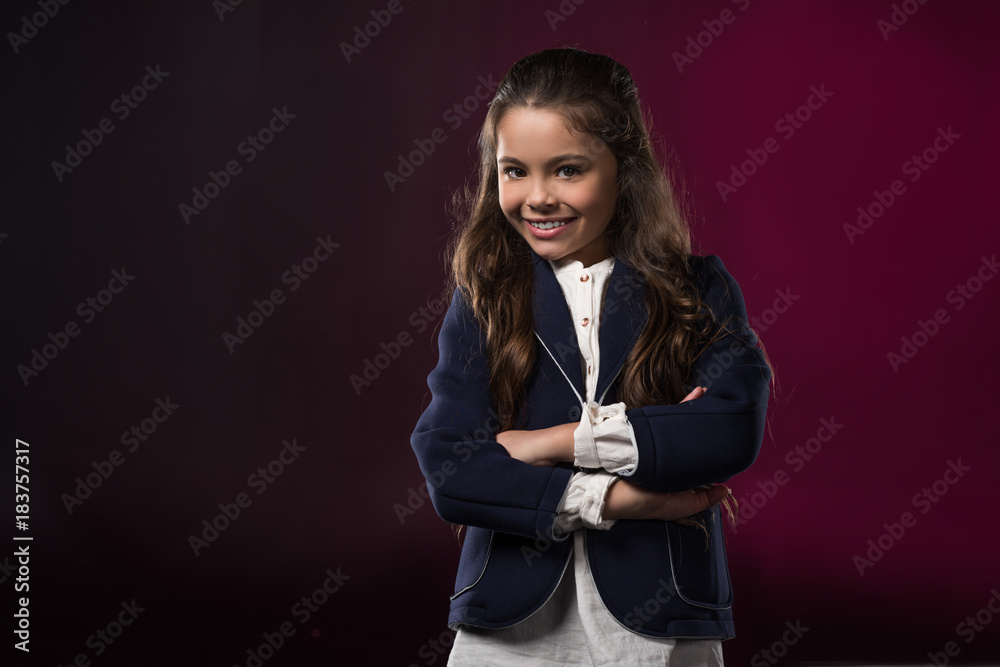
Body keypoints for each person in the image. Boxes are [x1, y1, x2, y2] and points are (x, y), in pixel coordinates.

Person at [410, 47, 771, 666]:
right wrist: (617, 498)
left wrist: (549, 442)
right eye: (514, 170)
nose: (538, 197)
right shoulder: (486, 300)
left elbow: (729, 429)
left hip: (663, 615)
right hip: (505, 621)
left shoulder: (698, 289)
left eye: (568, 170)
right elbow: (450, 468)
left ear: (624, 169)